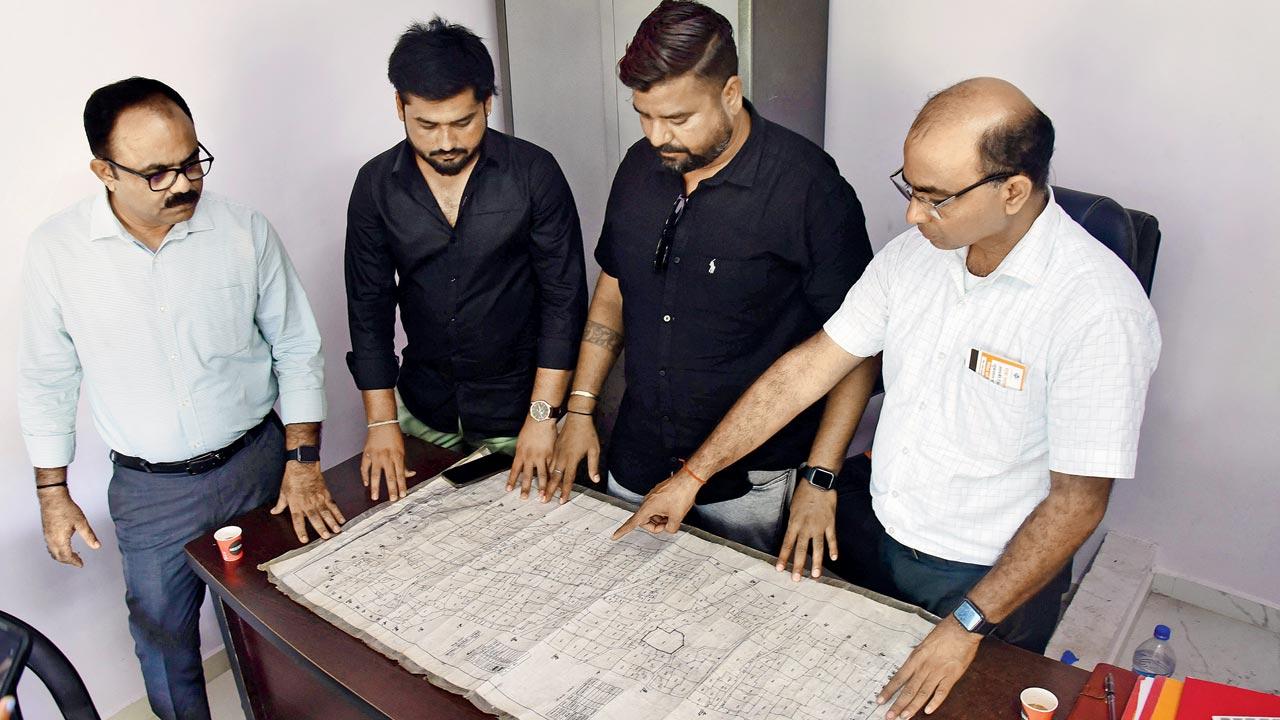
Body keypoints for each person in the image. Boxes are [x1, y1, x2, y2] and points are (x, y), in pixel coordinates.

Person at [613, 77, 1161, 719]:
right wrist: (694, 476)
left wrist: (965, 625)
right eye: (909, 187)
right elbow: (809, 368)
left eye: (935, 198)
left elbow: (1077, 503)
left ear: (1012, 191)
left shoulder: (1097, 309)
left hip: (980, 576)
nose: (910, 215)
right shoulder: (914, 258)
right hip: (878, 528)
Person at [18, 77, 343, 720]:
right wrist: (53, 492)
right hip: (151, 492)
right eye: (158, 173)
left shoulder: (243, 228)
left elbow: (297, 347)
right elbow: (46, 377)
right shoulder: (58, 253)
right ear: (104, 171)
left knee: (294, 616)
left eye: (192, 160)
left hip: (261, 463)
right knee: (163, 638)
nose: (185, 184)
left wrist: (303, 462)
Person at [551, 0, 877, 557]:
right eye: (644, 115)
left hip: (751, 481)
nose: (657, 137)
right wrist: (579, 408)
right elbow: (613, 291)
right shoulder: (638, 168)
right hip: (639, 455)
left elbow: (858, 349)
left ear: (730, 92)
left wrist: (821, 478)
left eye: (679, 119)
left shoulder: (808, 189)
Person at [345, 18, 588, 502]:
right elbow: (368, 309)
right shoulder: (375, 185)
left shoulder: (534, 173)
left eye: (463, 122)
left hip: (521, 412)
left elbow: (565, 303)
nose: (445, 142)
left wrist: (543, 418)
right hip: (423, 409)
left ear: (487, 103)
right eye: (427, 125)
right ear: (400, 106)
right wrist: (382, 420)